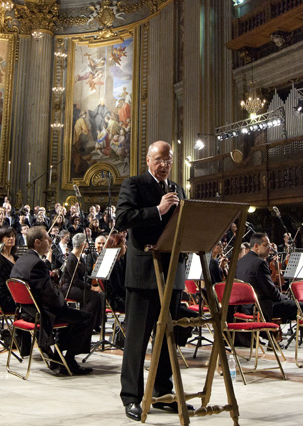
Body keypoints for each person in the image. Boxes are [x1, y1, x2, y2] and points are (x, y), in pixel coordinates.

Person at [116, 141, 191, 421]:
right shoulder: (134, 184)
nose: (164, 165)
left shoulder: (178, 189)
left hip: (172, 271)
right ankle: (132, 397)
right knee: (138, 338)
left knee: (167, 337)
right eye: (159, 159)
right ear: (148, 159)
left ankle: (161, 392)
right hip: (144, 272)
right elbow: (123, 218)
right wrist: (157, 210)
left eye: (168, 160)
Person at [9, 226, 94, 374]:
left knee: (69, 317)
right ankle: (69, 360)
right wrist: (63, 301)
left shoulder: (21, 260)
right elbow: (51, 296)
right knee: (85, 318)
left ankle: (57, 357)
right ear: (37, 242)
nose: (50, 242)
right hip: (41, 314)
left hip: (26, 311)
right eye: (47, 239)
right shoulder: (37, 264)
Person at [236, 233, 303, 358]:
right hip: (263, 309)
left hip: (246, 308)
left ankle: (273, 340)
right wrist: (287, 298)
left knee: (293, 304)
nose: (270, 248)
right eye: (266, 245)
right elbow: (272, 293)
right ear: (256, 246)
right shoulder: (260, 263)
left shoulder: (240, 262)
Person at [61, 233, 105, 331]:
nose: (88, 245)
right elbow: (75, 280)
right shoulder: (71, 259)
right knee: (94, 296)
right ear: (82, 244)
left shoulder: (80, 257)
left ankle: (94, 324)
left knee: (98, 295)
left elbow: (84, 276)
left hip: (77, 286)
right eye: (86, 243)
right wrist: (92, 287)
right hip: (69, 288)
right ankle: (84, 323)